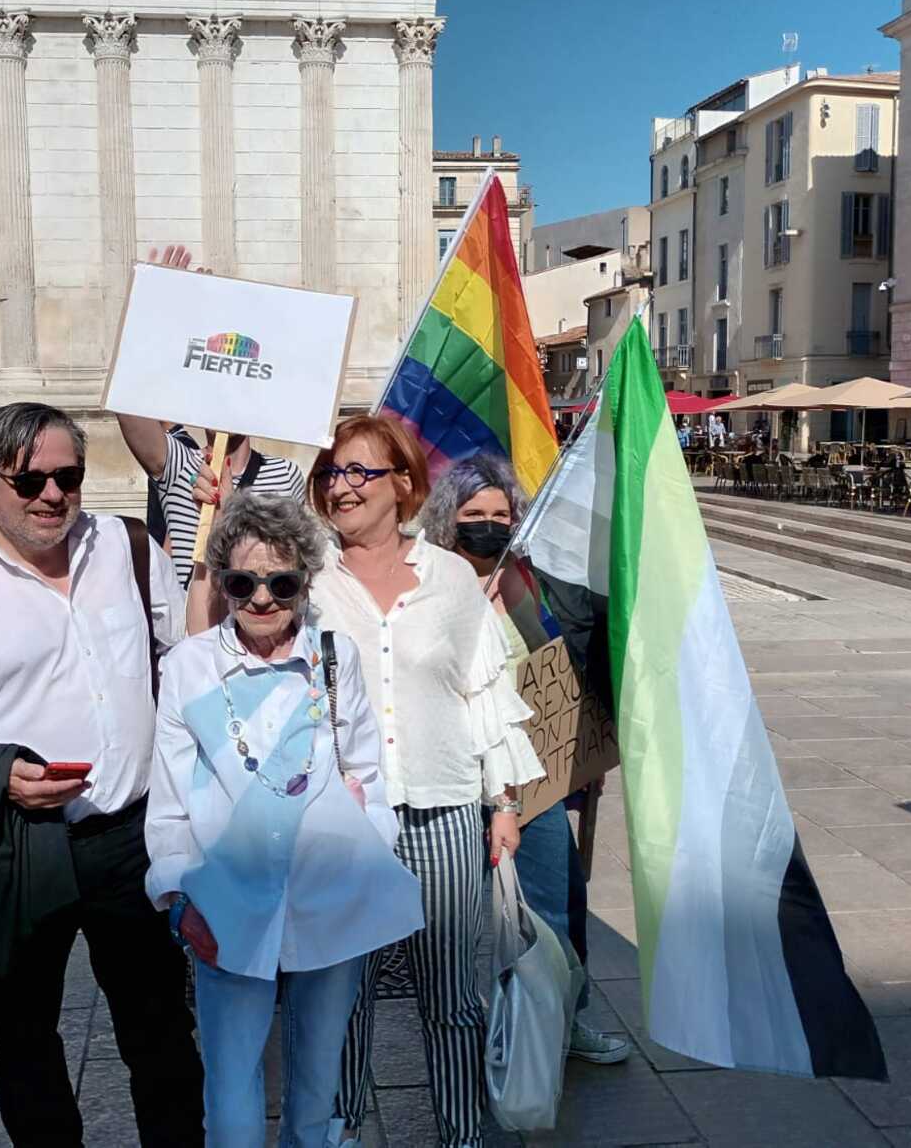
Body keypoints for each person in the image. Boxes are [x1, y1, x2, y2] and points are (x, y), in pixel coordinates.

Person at [0, 402, 205, 1147]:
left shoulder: (128, 547)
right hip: (20, 846)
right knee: (26, 1036)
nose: (52, 494)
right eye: (31, 480)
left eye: (69, 476)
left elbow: (185, 655)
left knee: (161, 1030)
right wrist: (0, 779)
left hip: (131, 836)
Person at [148, 495, 424, 1147]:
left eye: (282, 582)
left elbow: (366, 767)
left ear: (305, 578)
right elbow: (168, 805)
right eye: (244, 583)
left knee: (316, 1081)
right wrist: (180, 900)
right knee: (231, 1083)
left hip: (327, 893)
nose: (264, 598)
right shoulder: (187, 668)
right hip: (229, 899)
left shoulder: (336, 656)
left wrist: (369, 844)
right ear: (221, 581)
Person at [303, 415, 544, 1148]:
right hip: (346, 821)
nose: (341, 488)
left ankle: (461, 1133)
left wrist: (502, 801)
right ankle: (338, 1131)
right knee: (343, 997)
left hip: (442, 811)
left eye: (359, 472)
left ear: (403, 484)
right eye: (332, 475)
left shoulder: (449, 577)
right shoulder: (308, 579)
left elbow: (483, 690)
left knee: (450, 996)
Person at [417, 454, 633, 1069]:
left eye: (500, 513)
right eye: (473, 514)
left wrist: (584, 749)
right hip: (454, 774)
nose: (488, 524)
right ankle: (471, 1027)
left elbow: (556, 665)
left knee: (555, 900)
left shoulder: (524, 577)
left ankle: (564, 1021)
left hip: (527, 775)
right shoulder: (427, 578)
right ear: (447, 517)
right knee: (457, 919)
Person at [117, 245, 305, 589]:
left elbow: (291, 560)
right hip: (193, 635)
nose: (225, 395)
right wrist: (157, 312)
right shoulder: (179, 464)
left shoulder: (287, 474)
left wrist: (232, 510)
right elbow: (127, 405)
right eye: (214, 383)